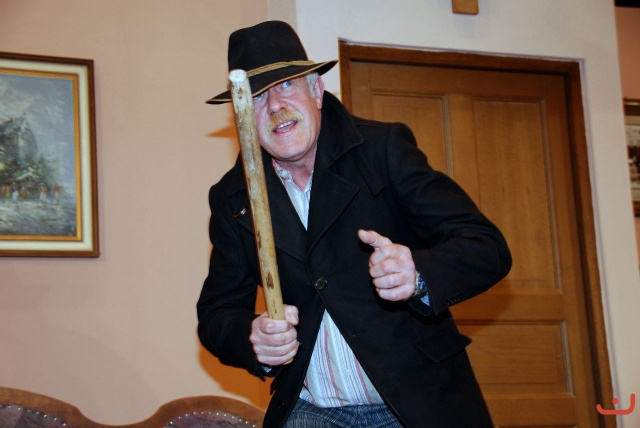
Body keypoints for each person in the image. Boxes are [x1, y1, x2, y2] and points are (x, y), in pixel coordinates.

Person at [197, 20, 512, 428]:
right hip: (314, 409)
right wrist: (253, 338)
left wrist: (418, 273)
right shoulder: (233, 197)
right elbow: (217, 313)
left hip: (414, 400)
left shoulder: (382, 151)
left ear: (317, 91)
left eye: (287, 85)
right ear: (242, 116)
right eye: (256, 96)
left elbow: (486, 245)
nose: (274, 106)